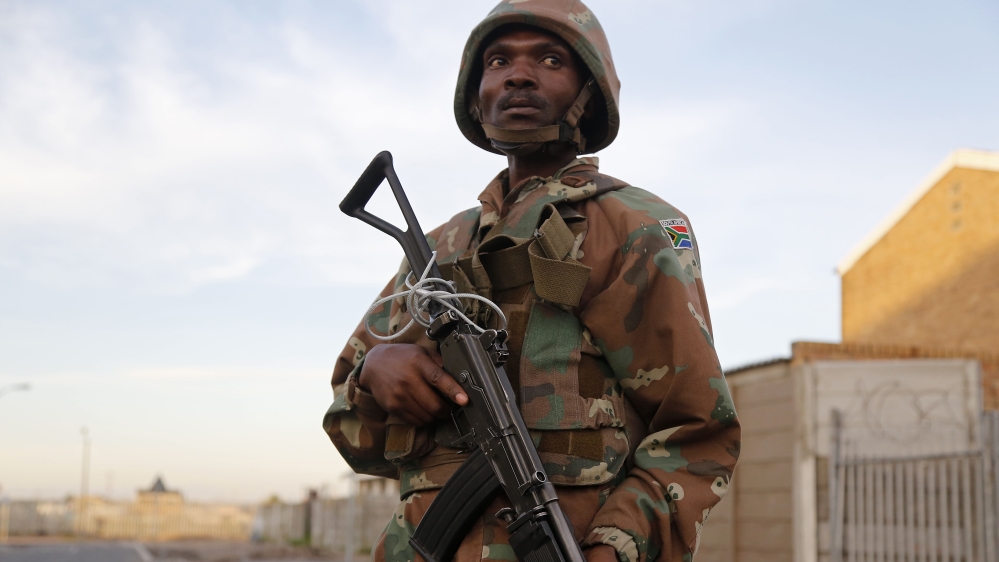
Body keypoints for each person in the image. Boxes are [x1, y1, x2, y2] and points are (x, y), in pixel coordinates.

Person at [323, 2, 741, 561]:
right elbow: (354, 432)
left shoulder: (634, 227)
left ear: (589, 91)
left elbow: (696, 432)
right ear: (476, 96)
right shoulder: (440, 247)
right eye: (498, 61)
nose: (518, 74)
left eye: (549, 58)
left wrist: (616, 547)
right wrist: (375, 373)